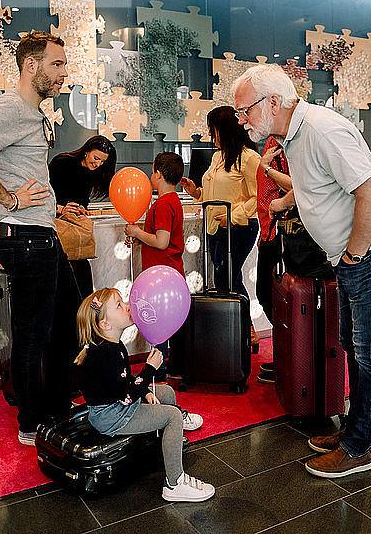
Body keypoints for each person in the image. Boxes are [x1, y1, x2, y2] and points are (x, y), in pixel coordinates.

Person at [233, 63, 371, 478]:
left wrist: (353, 256)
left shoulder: (320, 128)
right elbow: (319, 182)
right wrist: (288, 200)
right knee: (355, 348)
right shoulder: (295, 135)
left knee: (370, 356)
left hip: (368, 259)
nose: (241, 121)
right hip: (353, 259)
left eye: (245, 110)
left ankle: (359, 448)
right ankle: (359, 430)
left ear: (274, 102)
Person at [0, 31, 81, 445]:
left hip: (40, 232)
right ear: (31, 65)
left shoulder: (31, 112)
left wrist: (49, 206)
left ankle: (55, 405)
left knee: (68, 321)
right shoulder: (10, 107)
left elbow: (24, 171)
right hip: (24, 236)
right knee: (32, 332)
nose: (63, 73)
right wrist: (8, 199)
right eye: (57, 64)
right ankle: (30, 421)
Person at [75, 287, 215, 502]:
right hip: (112, 416)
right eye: (119, 306)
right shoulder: (104, 355)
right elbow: (126, 397)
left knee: (164, 392)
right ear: (105, 325)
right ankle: (175, 484)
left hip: (118, 405)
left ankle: (170, 440)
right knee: (172, 416)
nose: (128, 307)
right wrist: (149, 368)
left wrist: (147, 391)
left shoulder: (113, 345)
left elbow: (124, 380)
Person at [124, 152, 203, 430]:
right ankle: (164, 369)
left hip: (162, 275)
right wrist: (138, 237)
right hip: (169, 272)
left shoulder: (162, 204)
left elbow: (161, 241)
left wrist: (135, 233)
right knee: (165, 329)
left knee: (159, 329)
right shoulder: (172, 201)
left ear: (156, 172)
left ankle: (160, 372)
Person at [180, 106, 261, 351]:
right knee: (224, 277)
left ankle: (247, 329)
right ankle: (238, 328)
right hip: (215, 227)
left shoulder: (249, 158)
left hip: (239, 227)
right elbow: (214, 194)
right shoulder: (217, 157)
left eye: (211, 128)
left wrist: (234, 216)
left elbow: (259, 197)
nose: (208, 134)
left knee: (228, 276)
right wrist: (196, 192)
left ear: (224, 129)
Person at [49, 135, 117, 297]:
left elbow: (81, 201)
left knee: (81, 267)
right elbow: (46, 196)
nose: (98, 164)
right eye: (96, 158)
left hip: (74, 225)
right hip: (55, 223)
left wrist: (81, 209)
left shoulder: (91, 173)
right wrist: (61, 209)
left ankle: (84, 309)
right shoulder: (61, 163)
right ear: (86, 151)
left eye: (102, 162)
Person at [255, 139, 291, 383]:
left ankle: (288, 359)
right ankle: (285, 356)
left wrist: (267, 168)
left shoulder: (283, 145)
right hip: (269, 232)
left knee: (275, 297)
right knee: (266, 294)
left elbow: (296, 186)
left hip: (280, 232)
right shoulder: (272, 143)